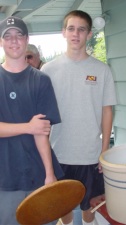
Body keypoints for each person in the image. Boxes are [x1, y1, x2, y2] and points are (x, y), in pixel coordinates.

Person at [41, 10, 116, 225]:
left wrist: (104, 150)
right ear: (63, 32)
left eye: (81, 29)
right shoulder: (48, 70)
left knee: (89, 207)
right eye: (71, 28)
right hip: (58, 154)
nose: (76, 34)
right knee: (64, 208)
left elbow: (107, 110)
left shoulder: (102, 71)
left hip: (90, 155)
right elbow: (43, 117)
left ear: (89, 34)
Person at [0, 16, 64, 225]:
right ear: (1, 41)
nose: (14, 41)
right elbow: (34, 127)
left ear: (27, 39)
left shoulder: (40, 80)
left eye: (19, 35)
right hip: (5, 177)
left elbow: (41, 132)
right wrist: (28, 126)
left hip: (38, 173)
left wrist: (50, 174)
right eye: (7, 36)